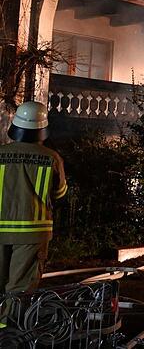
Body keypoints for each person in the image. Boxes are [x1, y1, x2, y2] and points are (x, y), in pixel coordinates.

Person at [0, 101, 68, 328]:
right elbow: (60, 194)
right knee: (19, 289)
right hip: (32, 233)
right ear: (43, 128)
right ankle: (8, 335)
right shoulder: (52, 158)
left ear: (16, 125)